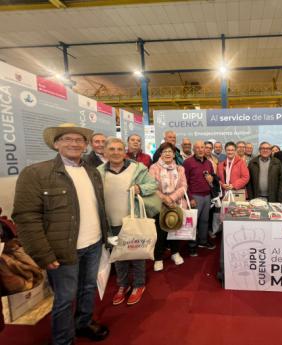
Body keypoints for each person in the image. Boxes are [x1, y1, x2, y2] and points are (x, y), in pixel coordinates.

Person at [12, 123, 109, 345]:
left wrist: (104, 239)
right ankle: (63, 340)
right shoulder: (36, 173)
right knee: (65, 298)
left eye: (79, 140)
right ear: (56, 144)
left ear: (85, 145)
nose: (74, 143)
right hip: (62, 250)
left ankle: (84, 323)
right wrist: (42, 254)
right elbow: (26, 217)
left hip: (93, 244)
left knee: (88, 287)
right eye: (67, 139)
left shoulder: (92, 172)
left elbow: (97, 207)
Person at [98, 137, 158, 305]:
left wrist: (141, 188)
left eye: (119, 149)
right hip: (111, 223)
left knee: (137, 253)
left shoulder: (137, 168)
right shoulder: (98, 172)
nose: (116, 153)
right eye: (112, 149)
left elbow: (153, 184)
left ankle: (139, 284)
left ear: (124, 151)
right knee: (117, 256)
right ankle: (122, 285)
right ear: (105, 152)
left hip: (133, 219)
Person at [149, 142, 188, 271]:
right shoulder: (154, 168)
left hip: (176, 203)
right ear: (160, 153)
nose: (167, 154)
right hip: (159, 204)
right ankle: (158, 257)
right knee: (160, 233)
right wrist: (165, 199)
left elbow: (184, 186)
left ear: (174, 154)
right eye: (164, 151)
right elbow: (152, 187)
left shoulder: (180, 168)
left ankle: (175, 253)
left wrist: (171, 198)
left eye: (170, 152)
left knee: (175, 230)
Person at [183, 140, 216, 256]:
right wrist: (190, 198)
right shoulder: (187, 162)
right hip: (195, 197)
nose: (201, 150)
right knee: (193, 223)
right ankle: (192, 245)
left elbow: (212, 177)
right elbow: (184, 182)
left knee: (204, 221)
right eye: (198, 148)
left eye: (202, 147)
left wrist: (211, 179)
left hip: (207, 196)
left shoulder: (209, 162)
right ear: (194, 149)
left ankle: (203, 241)